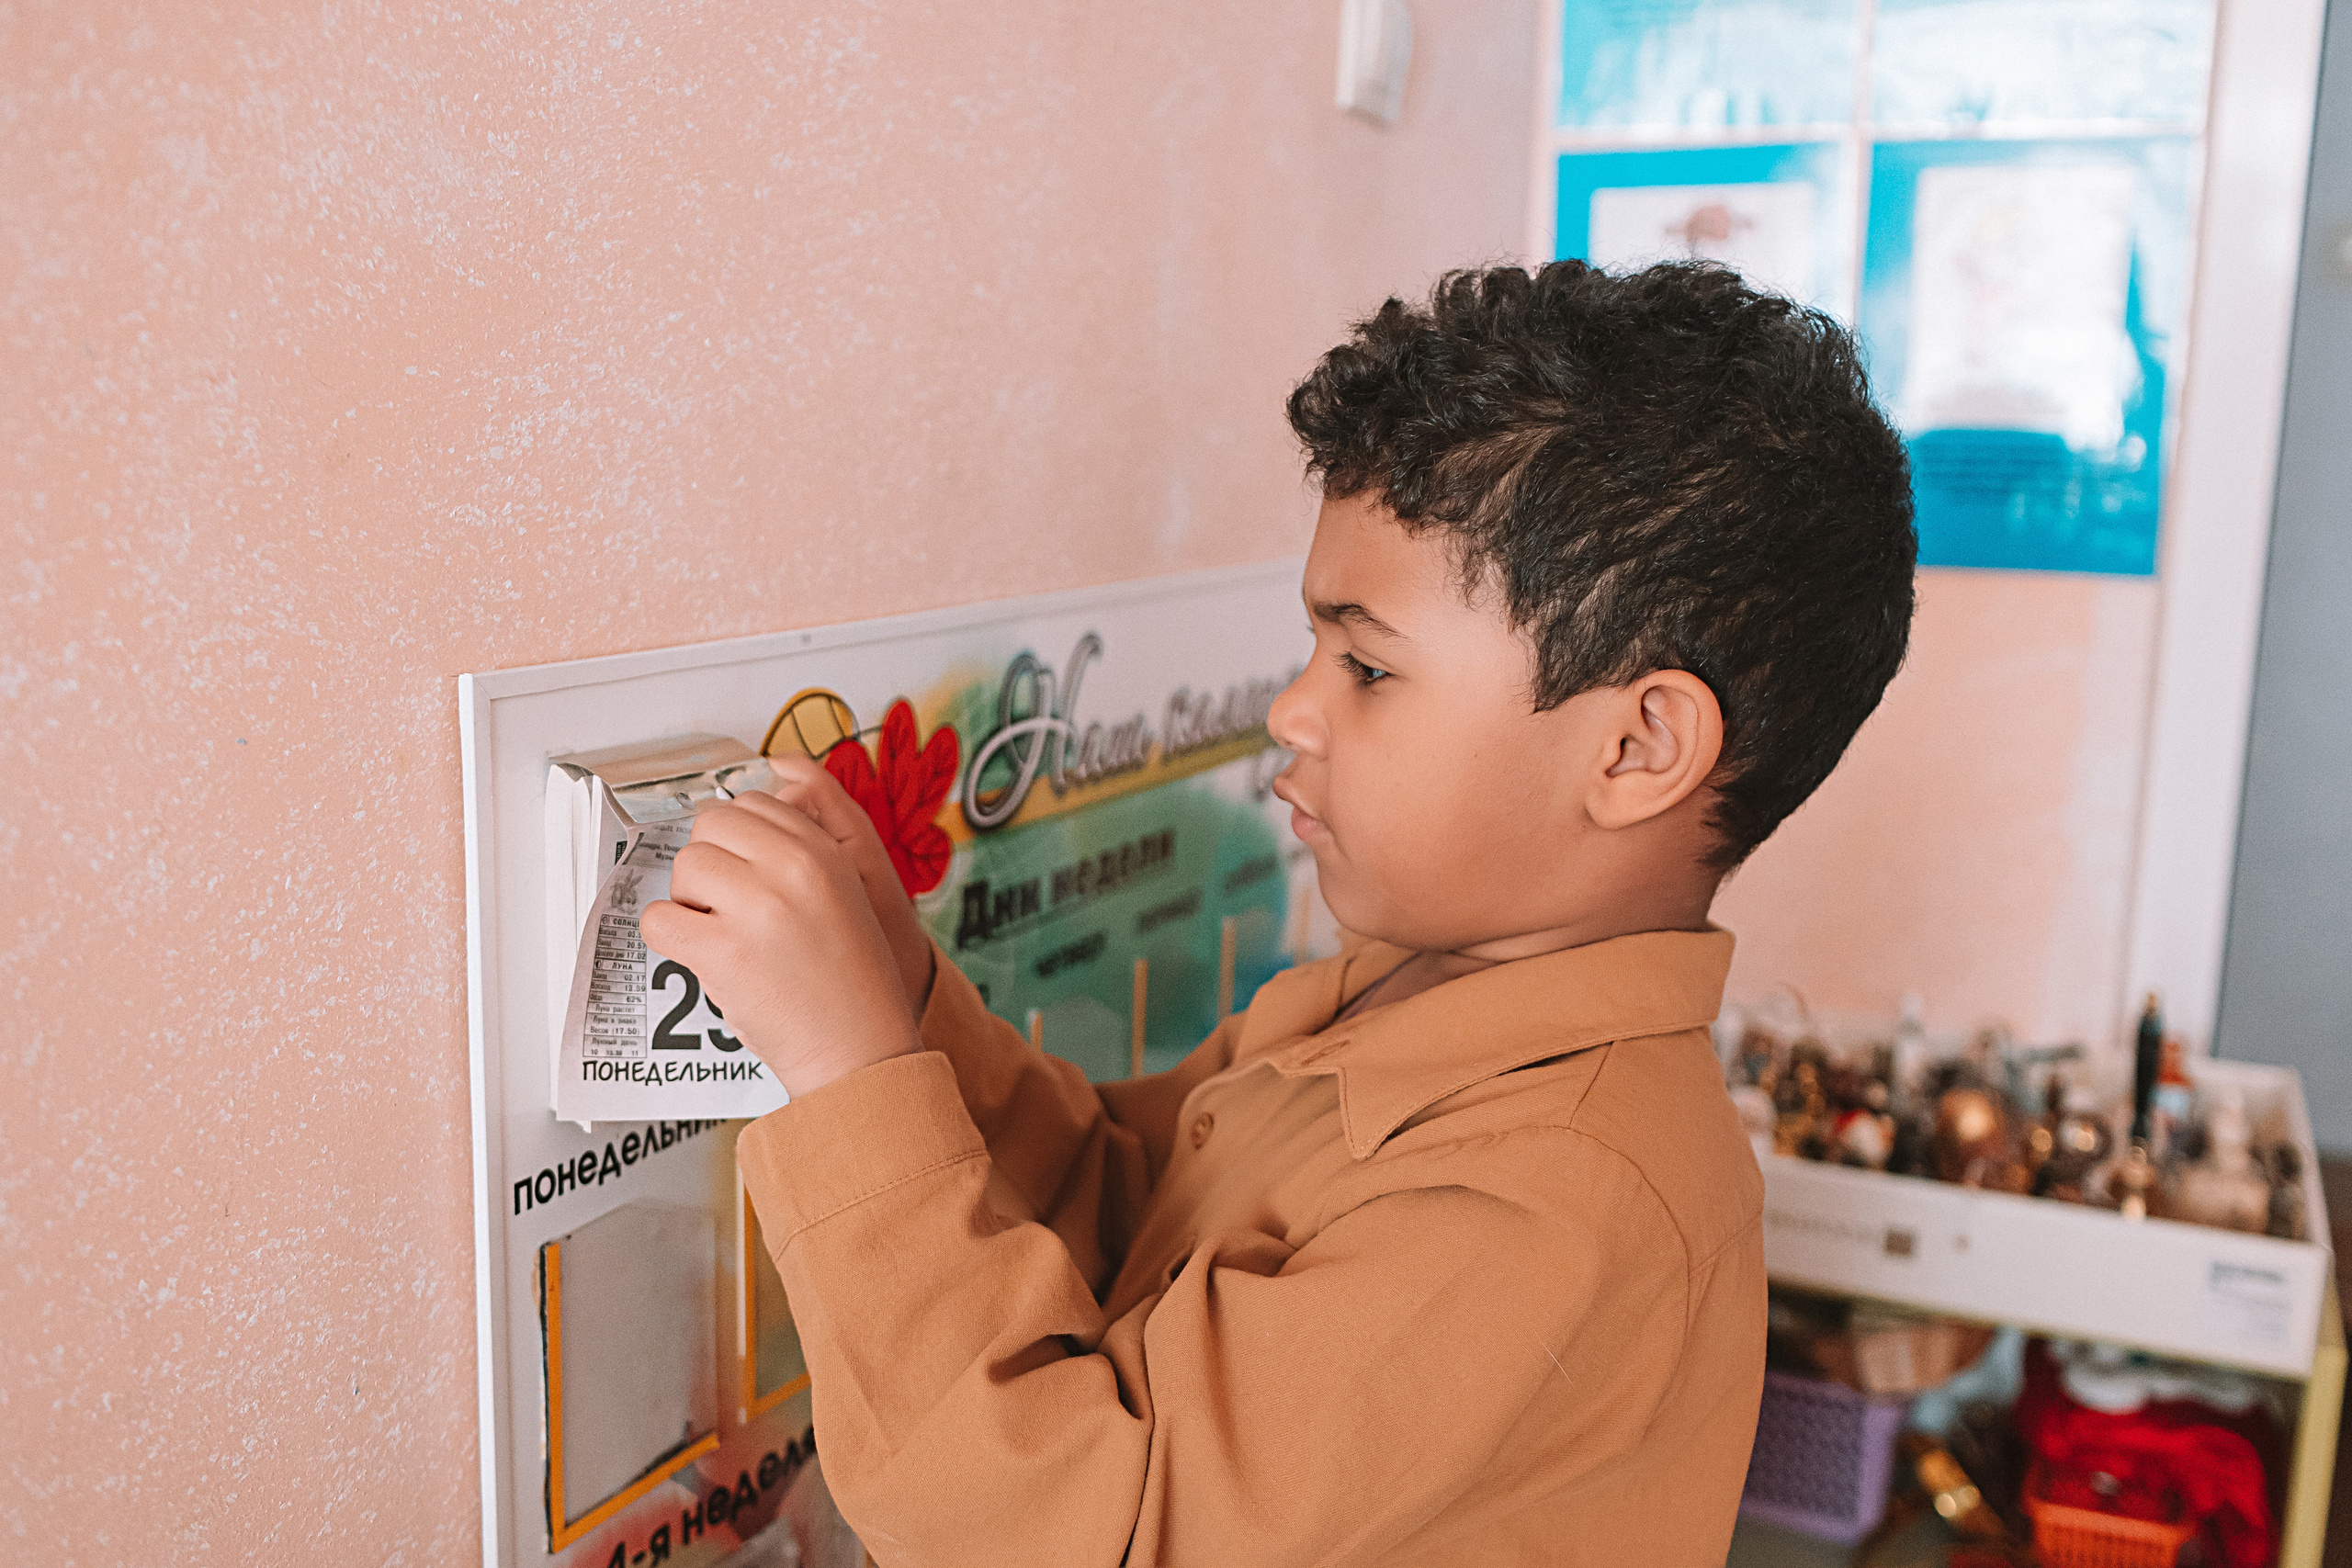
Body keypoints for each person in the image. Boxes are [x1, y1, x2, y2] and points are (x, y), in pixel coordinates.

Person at [641, 260, 1918, 1565]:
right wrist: (902, 997)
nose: (1292, 712)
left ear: (1640, 745)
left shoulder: (1558, 1203)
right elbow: (1124, 1216)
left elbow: (1071, 1530)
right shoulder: (1399, 997)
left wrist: (852, 1078)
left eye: (1367, 666)